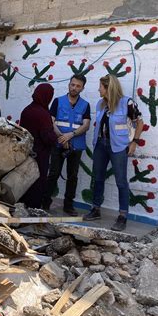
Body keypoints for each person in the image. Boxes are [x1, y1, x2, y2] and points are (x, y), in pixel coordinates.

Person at [83, 74, 144, 231]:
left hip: (118, 147)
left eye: (101, 87)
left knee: (121, 181)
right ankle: (95, 209)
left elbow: (140, 122)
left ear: (108, 87)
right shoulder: (101, 104)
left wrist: (134, 142)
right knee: (98, 178)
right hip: (101, 145)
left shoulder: (126, 102)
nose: (98, 89)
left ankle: (122, 216)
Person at [42, 74, 91, 216]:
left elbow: (86, 125)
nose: (74, 88)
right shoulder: (58, 101)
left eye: (78, 86)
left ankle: (68, 205)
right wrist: (62, 138)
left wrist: (71, 135)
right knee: (53, 174)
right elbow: (51, 121)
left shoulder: (85, 105)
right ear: (69, 84)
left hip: (76, 145)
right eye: (72, 84)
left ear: (82, 88)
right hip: (58, 144)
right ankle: (45, 203)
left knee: (73, 176)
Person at [20, 83, 58, 209]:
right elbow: (47, 137)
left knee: (26, 179)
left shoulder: (26, 110)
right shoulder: (43, 114)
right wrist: (57, 139)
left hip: (25, 153)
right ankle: (33, 209)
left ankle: (23, 205)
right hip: (40, 154)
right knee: (38, 181)